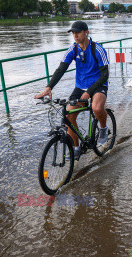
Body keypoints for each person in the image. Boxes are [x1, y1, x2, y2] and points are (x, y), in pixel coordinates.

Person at [34, 21, 110, 160]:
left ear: (86, 32)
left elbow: (105, 74)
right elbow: (61, 69)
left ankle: (104, 128)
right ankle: (76, 148)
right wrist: (48, 87)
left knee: (97, 108)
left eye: (78, 32)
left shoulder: (98, 49)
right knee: (68, 116)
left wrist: (89, 93)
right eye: (73, 32)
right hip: (80, 86)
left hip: (99, 84)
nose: (75, 35)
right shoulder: (73, 50)